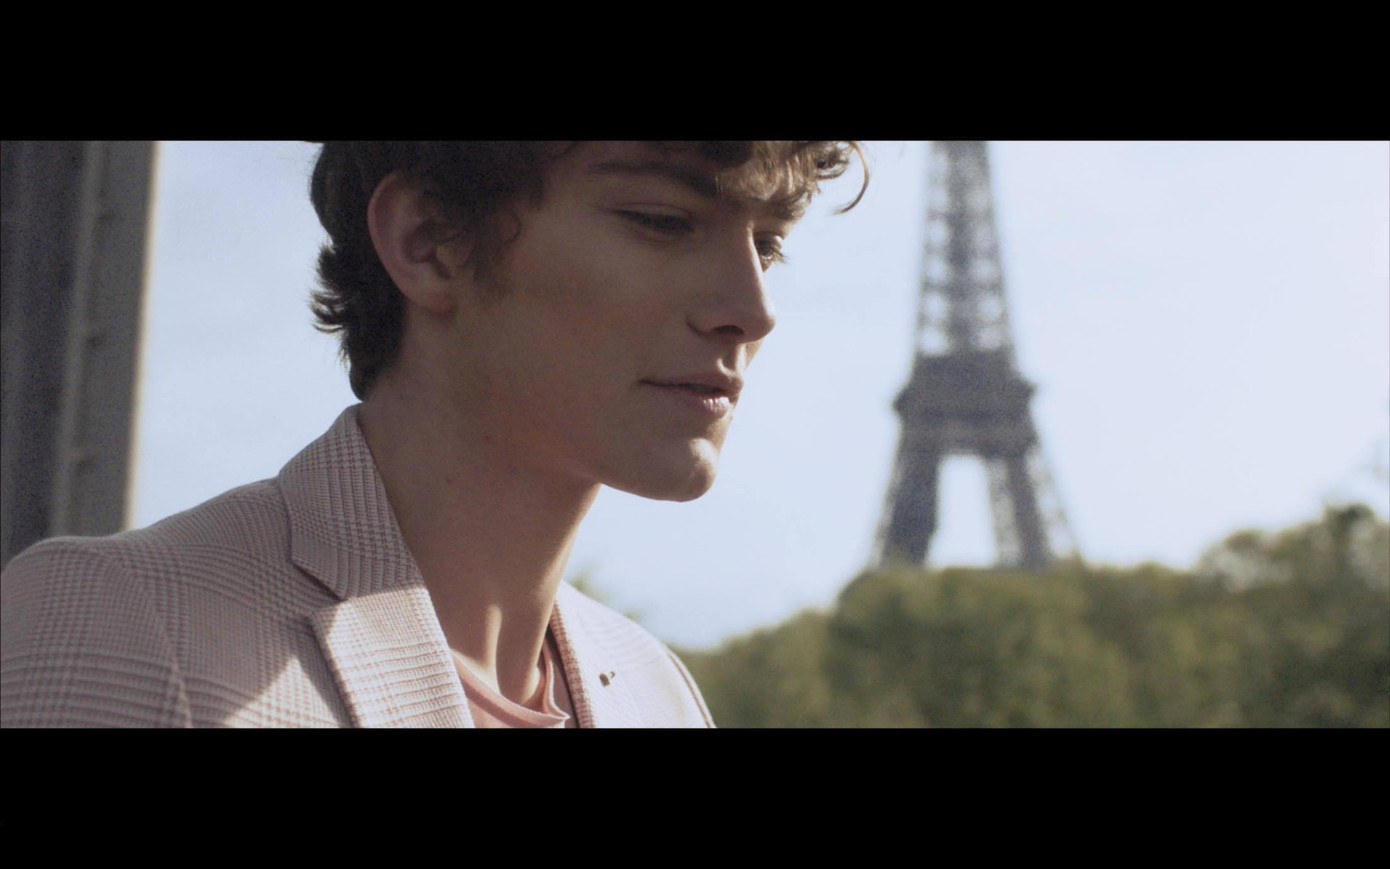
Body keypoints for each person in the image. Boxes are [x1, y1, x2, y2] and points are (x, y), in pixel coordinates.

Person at [0, 141, 865, 728]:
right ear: (429, 240)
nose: (752, 310)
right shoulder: (121, 622)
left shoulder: (659, 693)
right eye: (663, 220)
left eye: (768, 246)